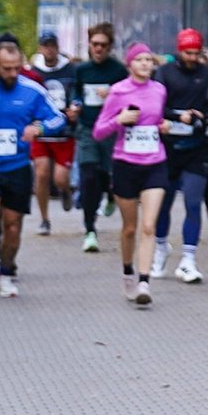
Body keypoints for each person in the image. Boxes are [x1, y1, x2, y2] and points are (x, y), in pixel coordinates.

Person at [92, 43, 169, 306]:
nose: (146, 64)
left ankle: (144, 281)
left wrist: (163, 125)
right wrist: (119, 120)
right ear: (129, 64)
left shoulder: (159, 90)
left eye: (149, 59)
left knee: (149, 226)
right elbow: (98, 132)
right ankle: (128, 272)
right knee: (129, 228)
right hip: (125, 164)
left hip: (155, 163)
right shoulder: (118, 91)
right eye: (140, 59)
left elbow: (157, 120)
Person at [0, 40, 68, 297]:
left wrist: (39, 128)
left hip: (17, 167)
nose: (12, 73)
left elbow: (58, 118)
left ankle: (6, 273)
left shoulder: (31, 90)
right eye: (6, 68)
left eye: (16, 68)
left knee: (13, 226)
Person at [153, 29, 208, 283]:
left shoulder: (207, 73)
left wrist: (204, 113)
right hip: (168, 146)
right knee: (164, 202)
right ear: (179, 50)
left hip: (197, 146)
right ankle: (161, 248)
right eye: (187, 52)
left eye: (196, 53)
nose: (192, 57)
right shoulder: (164, 72)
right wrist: (176, 116)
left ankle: (188, 260)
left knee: (193, 202)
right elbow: (156, 104)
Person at [69, 24, 127, 251]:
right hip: (87, 129)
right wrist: (75, 105)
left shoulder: (118, 70)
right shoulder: (82, 70)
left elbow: (129, 95)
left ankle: (110, 195)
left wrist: (113, 93)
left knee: (105, 174)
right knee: (88, 176)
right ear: (89, 45)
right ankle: (90, 229)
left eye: (103, 45)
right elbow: (76, 92)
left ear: (110, 47)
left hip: (111, 131)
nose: (98, 49)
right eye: (95, 44)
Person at [29, 30, 76, 232]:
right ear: (40, 48)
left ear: (57, 47)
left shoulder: (70, 70)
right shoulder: (34, 72)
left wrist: (75, 106)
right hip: (40, 131)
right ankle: (44, 219)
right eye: (45, 46)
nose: (49, 49)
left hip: (64, 132)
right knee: (41, 174)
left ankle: (65, 191)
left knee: (60, 178)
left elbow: (77, 92)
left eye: (52, 45)